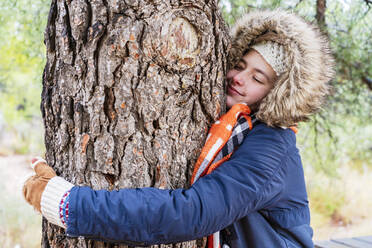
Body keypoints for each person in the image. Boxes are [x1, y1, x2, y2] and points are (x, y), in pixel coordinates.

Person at [23, 9, 335, 248]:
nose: (239, 78)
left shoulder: (272, 147)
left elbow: (194, 212)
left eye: (258, 78)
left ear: (278, 93)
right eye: (240, 65)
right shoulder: (234, 128)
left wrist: (70, 204)